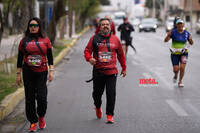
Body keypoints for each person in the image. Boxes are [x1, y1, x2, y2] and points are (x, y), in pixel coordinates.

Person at [84, 18, 126, 123]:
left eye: (107, 24)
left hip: (112, 72)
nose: (105, 26)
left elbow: (121, 54)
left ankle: (110, 115)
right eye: (103, 24)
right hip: (98, 71)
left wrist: (124, 68)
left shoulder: (115, 39)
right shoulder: (94, 38)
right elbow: (87, 50)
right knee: (97, 94)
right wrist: (89, 58)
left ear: (110, 26)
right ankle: (97, 107)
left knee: (111, 94)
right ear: (100, 26)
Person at [16, 17, 54, 132]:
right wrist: (18, 74)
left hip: (42, 72)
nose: (33, 27)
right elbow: (20, 58)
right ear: (28, 27)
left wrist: (51, 71)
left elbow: (50, 57)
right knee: (29, 98)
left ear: (39, 27)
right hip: (28, 72)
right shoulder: (24, 41)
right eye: (31, 25)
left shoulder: (45, 40)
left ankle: (41, 116)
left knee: (42, 98)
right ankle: (33, 121)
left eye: (35, 25)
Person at [164, 18, 193, 87]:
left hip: (184, 53)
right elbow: (165, 40)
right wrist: (168, 35)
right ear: (176, 25)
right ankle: (176, 75)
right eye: (179, 24)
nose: (180, 25)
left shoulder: (186, 33)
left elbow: (191, 43)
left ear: (183, 24)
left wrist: (191, 40)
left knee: (182, 68)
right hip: (175, 54)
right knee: (176, 69)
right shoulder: (173, 32)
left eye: (181, 24)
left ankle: (180, 81)